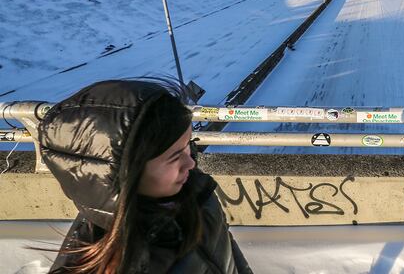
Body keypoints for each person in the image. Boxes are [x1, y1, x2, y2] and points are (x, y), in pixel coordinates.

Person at [37, 79, 252, 273]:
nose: (191, 163)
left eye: (188, 146)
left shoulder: (196, 194)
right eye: (175, 156)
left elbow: (232, 259)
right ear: (128, 172)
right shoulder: (114, 262)